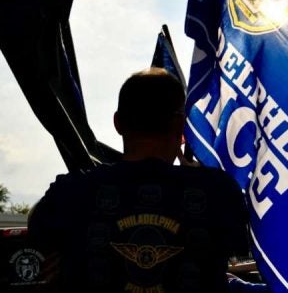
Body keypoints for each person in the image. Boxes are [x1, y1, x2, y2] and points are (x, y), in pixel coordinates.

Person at [28, 67, 251, 293]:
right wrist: (200, 176)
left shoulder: (72, 192)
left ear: (118, 123)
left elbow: (36, 227)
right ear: (181, 126)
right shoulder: (218, 191)